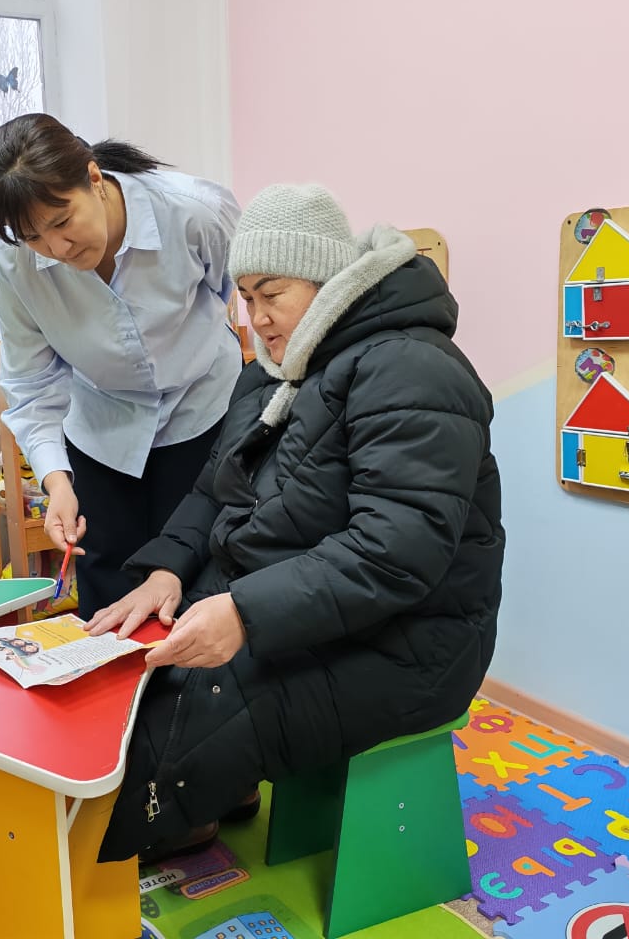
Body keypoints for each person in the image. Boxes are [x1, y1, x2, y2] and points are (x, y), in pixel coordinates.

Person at [85, 183, 505, 863]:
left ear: (327, 278)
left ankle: (114, 835)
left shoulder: (413, 369)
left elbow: (394, 552)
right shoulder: (273, 373)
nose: (257, 319)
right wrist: (165, 571)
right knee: (132, 671)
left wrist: (244, 613)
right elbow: (212, 490)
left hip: (412, 640)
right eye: (246, 298)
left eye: (271, 295)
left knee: (198, 708)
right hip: (313, 608)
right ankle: (200, 800)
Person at [0, 113, 242, 621]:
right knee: (108, 590)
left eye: (62, 222)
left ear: (94, 178)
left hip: (203, 410)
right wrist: (57, 483)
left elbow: (239, 291)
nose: (57, 249)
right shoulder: (14, 264)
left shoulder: (192, 212)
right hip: (102, 426)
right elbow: (32, 384)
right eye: (34, 237)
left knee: (200, 578)